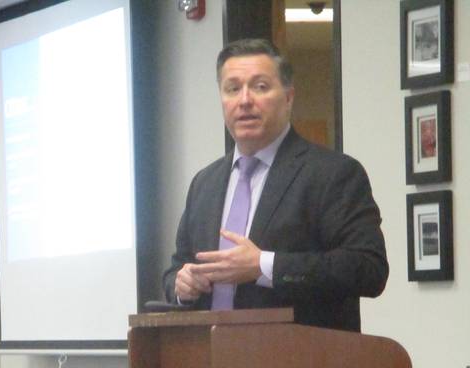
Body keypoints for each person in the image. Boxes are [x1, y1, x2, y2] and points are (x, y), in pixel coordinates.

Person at [163, 38, 388, 332]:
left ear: (289, 97)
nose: (244, 100)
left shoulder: (332, 174)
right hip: (211, 366)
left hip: (300, 365)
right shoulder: (204, 183)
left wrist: (264, 266)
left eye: (260, 87)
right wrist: (181, 285)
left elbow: (368, 269)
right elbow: (176, 268)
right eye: (232, 89)